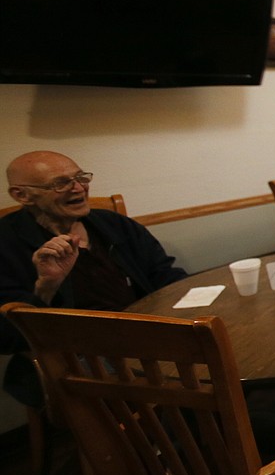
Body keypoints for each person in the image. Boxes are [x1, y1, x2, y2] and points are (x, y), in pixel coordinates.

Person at [0, 151, 187, 406]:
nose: (78, 188)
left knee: (220, 355)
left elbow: (166, 276)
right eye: (60, 183)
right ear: (22, 195)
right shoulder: (6, 244)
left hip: (146, 334)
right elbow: (7, 337)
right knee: (179, 388)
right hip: (74, 354)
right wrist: (46, 286)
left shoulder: (115, 225)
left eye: (80, 177)